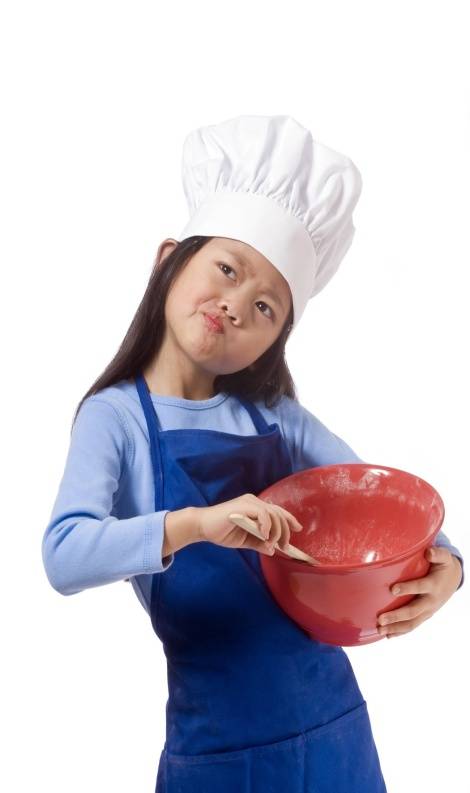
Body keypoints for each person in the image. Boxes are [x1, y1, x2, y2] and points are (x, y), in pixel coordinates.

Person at [41, 115, 464, 793]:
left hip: (336, 736)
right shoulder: (115, 417)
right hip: (219, 757)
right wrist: (198, 523)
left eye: (265, 306)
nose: (235, 305)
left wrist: (449, 566)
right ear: (169, 259)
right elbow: (64, 554)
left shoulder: (275, 419)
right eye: (227, 269)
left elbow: (386, 500)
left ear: (275, 340)